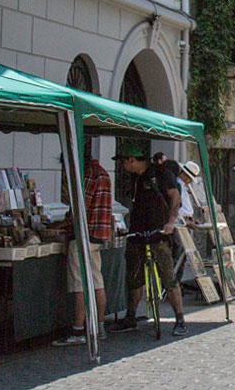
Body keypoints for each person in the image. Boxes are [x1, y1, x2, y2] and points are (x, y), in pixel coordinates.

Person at [112, 145, 188, 336]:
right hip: (137, 233)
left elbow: (175, 196)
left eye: (123, 161)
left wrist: (171, 222)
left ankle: (180, 319)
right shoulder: (134, 179)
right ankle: (130, 317)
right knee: (134, 278)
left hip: (159, 232)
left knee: (168, 277)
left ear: (132, 160)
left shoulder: (160, 174)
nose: (122, 165)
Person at [55, 152, 112, 346]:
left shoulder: (89, 174)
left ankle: (78, 330)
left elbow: (81, 206)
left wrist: (64, 223)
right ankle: (99, 326)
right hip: (99, 234)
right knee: (97, 281)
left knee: (79, 283)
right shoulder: (103, 173)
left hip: (85, 234)